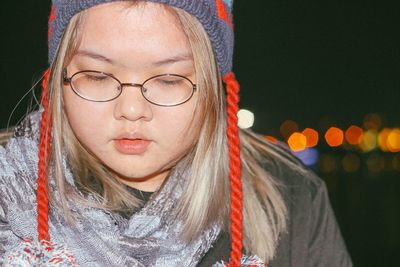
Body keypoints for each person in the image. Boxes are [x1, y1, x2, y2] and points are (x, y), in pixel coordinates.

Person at [0, 0, 352, 266]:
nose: (132, 109)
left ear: (217, 86)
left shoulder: (290, 197)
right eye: (97, 76)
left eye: (170, 80)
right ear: (57, 78)